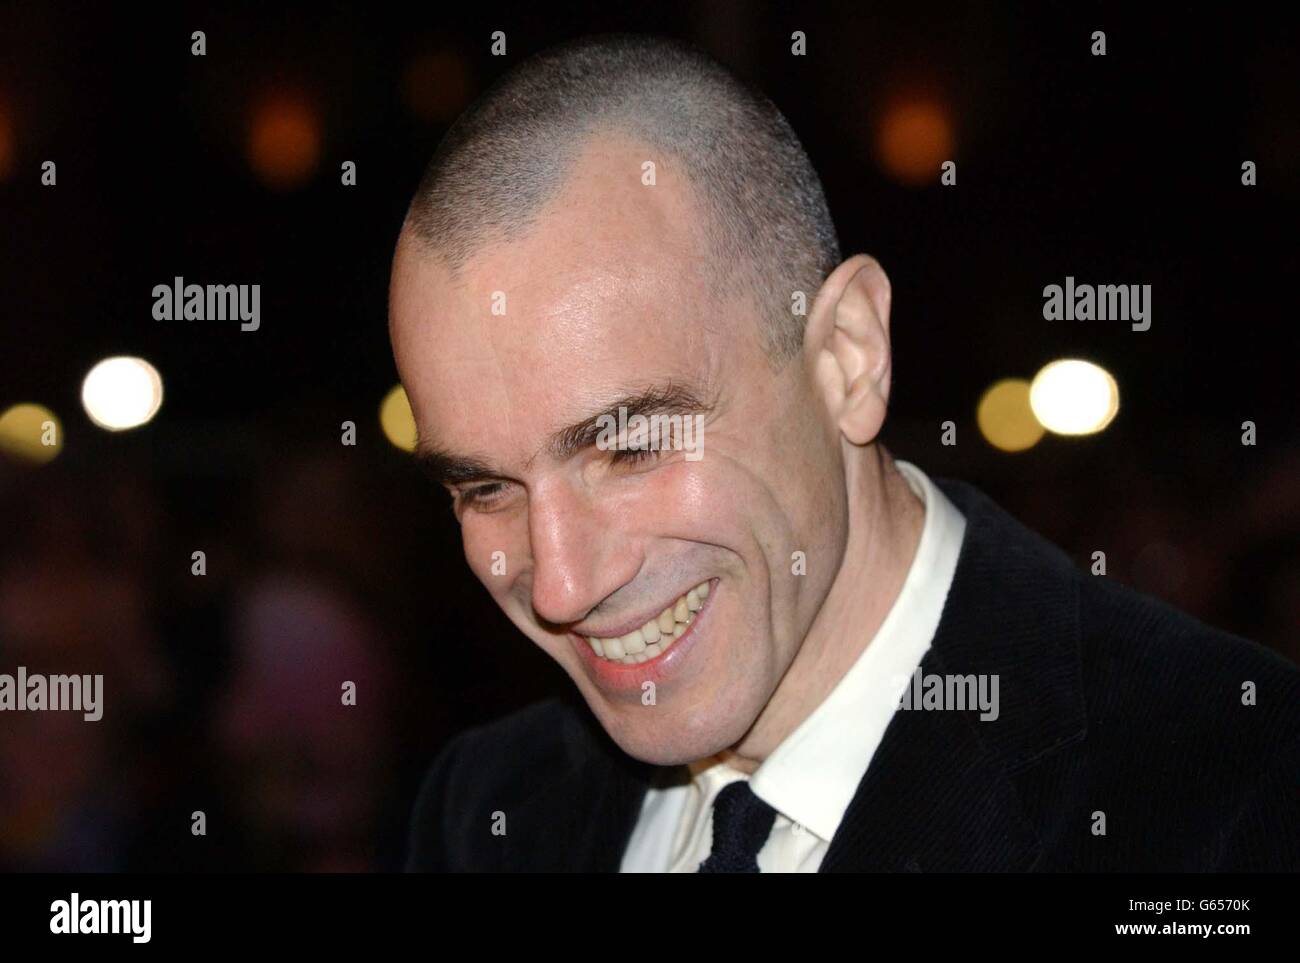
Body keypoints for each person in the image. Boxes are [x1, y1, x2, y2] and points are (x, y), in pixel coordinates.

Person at [388, 34, 1300, 872]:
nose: (560, 584)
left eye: (630, 446)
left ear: (847, 356)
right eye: (485, 486)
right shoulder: (483, 814)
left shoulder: (1231, 797)